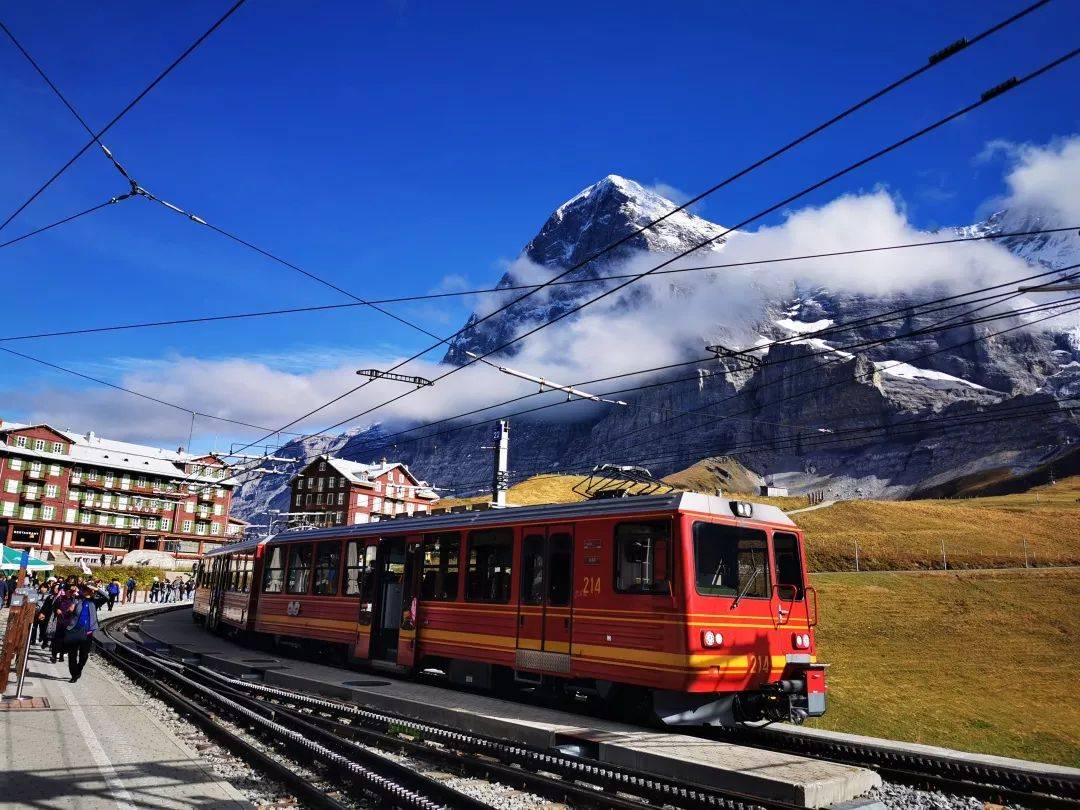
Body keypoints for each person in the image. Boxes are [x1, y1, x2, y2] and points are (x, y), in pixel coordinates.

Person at [59, 582, 108, 683]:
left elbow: (106, 597)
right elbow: (68, 609)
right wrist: (69, 610)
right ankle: (74, 674)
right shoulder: (77, 600)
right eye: (87, 590)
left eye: (90, 591)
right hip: (74, 630)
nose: (89, 592)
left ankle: (79, 668)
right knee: (72, 655)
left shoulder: (95, 602)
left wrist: (96, 588)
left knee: (84, 655)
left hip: (88, 632)